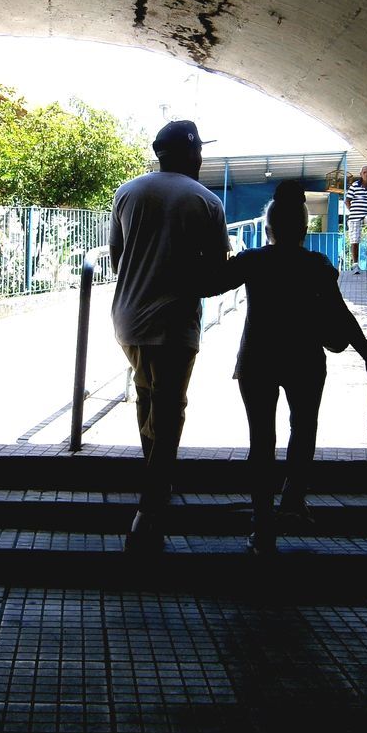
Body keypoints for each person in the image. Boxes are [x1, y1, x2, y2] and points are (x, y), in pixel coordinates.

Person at [200, 180, 367, 554]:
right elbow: (342, 316)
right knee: (302, 432)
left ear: (268, 230)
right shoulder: (316, 264)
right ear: (305, 230)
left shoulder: (253, 260)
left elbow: (208, 285)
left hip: (257, 359)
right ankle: (292, 502)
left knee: (261, 441)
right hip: (304, 360)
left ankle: (262, 522)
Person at [110, 120, 231, 553]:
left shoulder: (127, 192)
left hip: (127, 319)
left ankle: (155, 481)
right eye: (200, 151)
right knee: (170, 410)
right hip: (174, 325)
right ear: (192, 153)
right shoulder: (206, 201)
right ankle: (150, 512)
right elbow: (216, 275)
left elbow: (116, 258)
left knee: (148, 399)